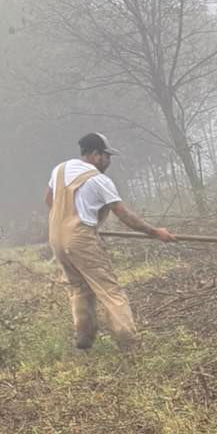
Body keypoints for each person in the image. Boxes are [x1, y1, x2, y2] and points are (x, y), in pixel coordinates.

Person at [46, 135, 173, 352]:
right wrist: (155, 232)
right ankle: (130, 344)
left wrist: (78, 222)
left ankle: (84, 339)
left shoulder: (60, 169)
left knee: (78, 287)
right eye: (107, 156)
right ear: (95, 155)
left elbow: (49, 200)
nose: (109, 161)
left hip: (56, 236)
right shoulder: (99, 180)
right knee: (110, 291)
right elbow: (123, 214)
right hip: (79, 238)